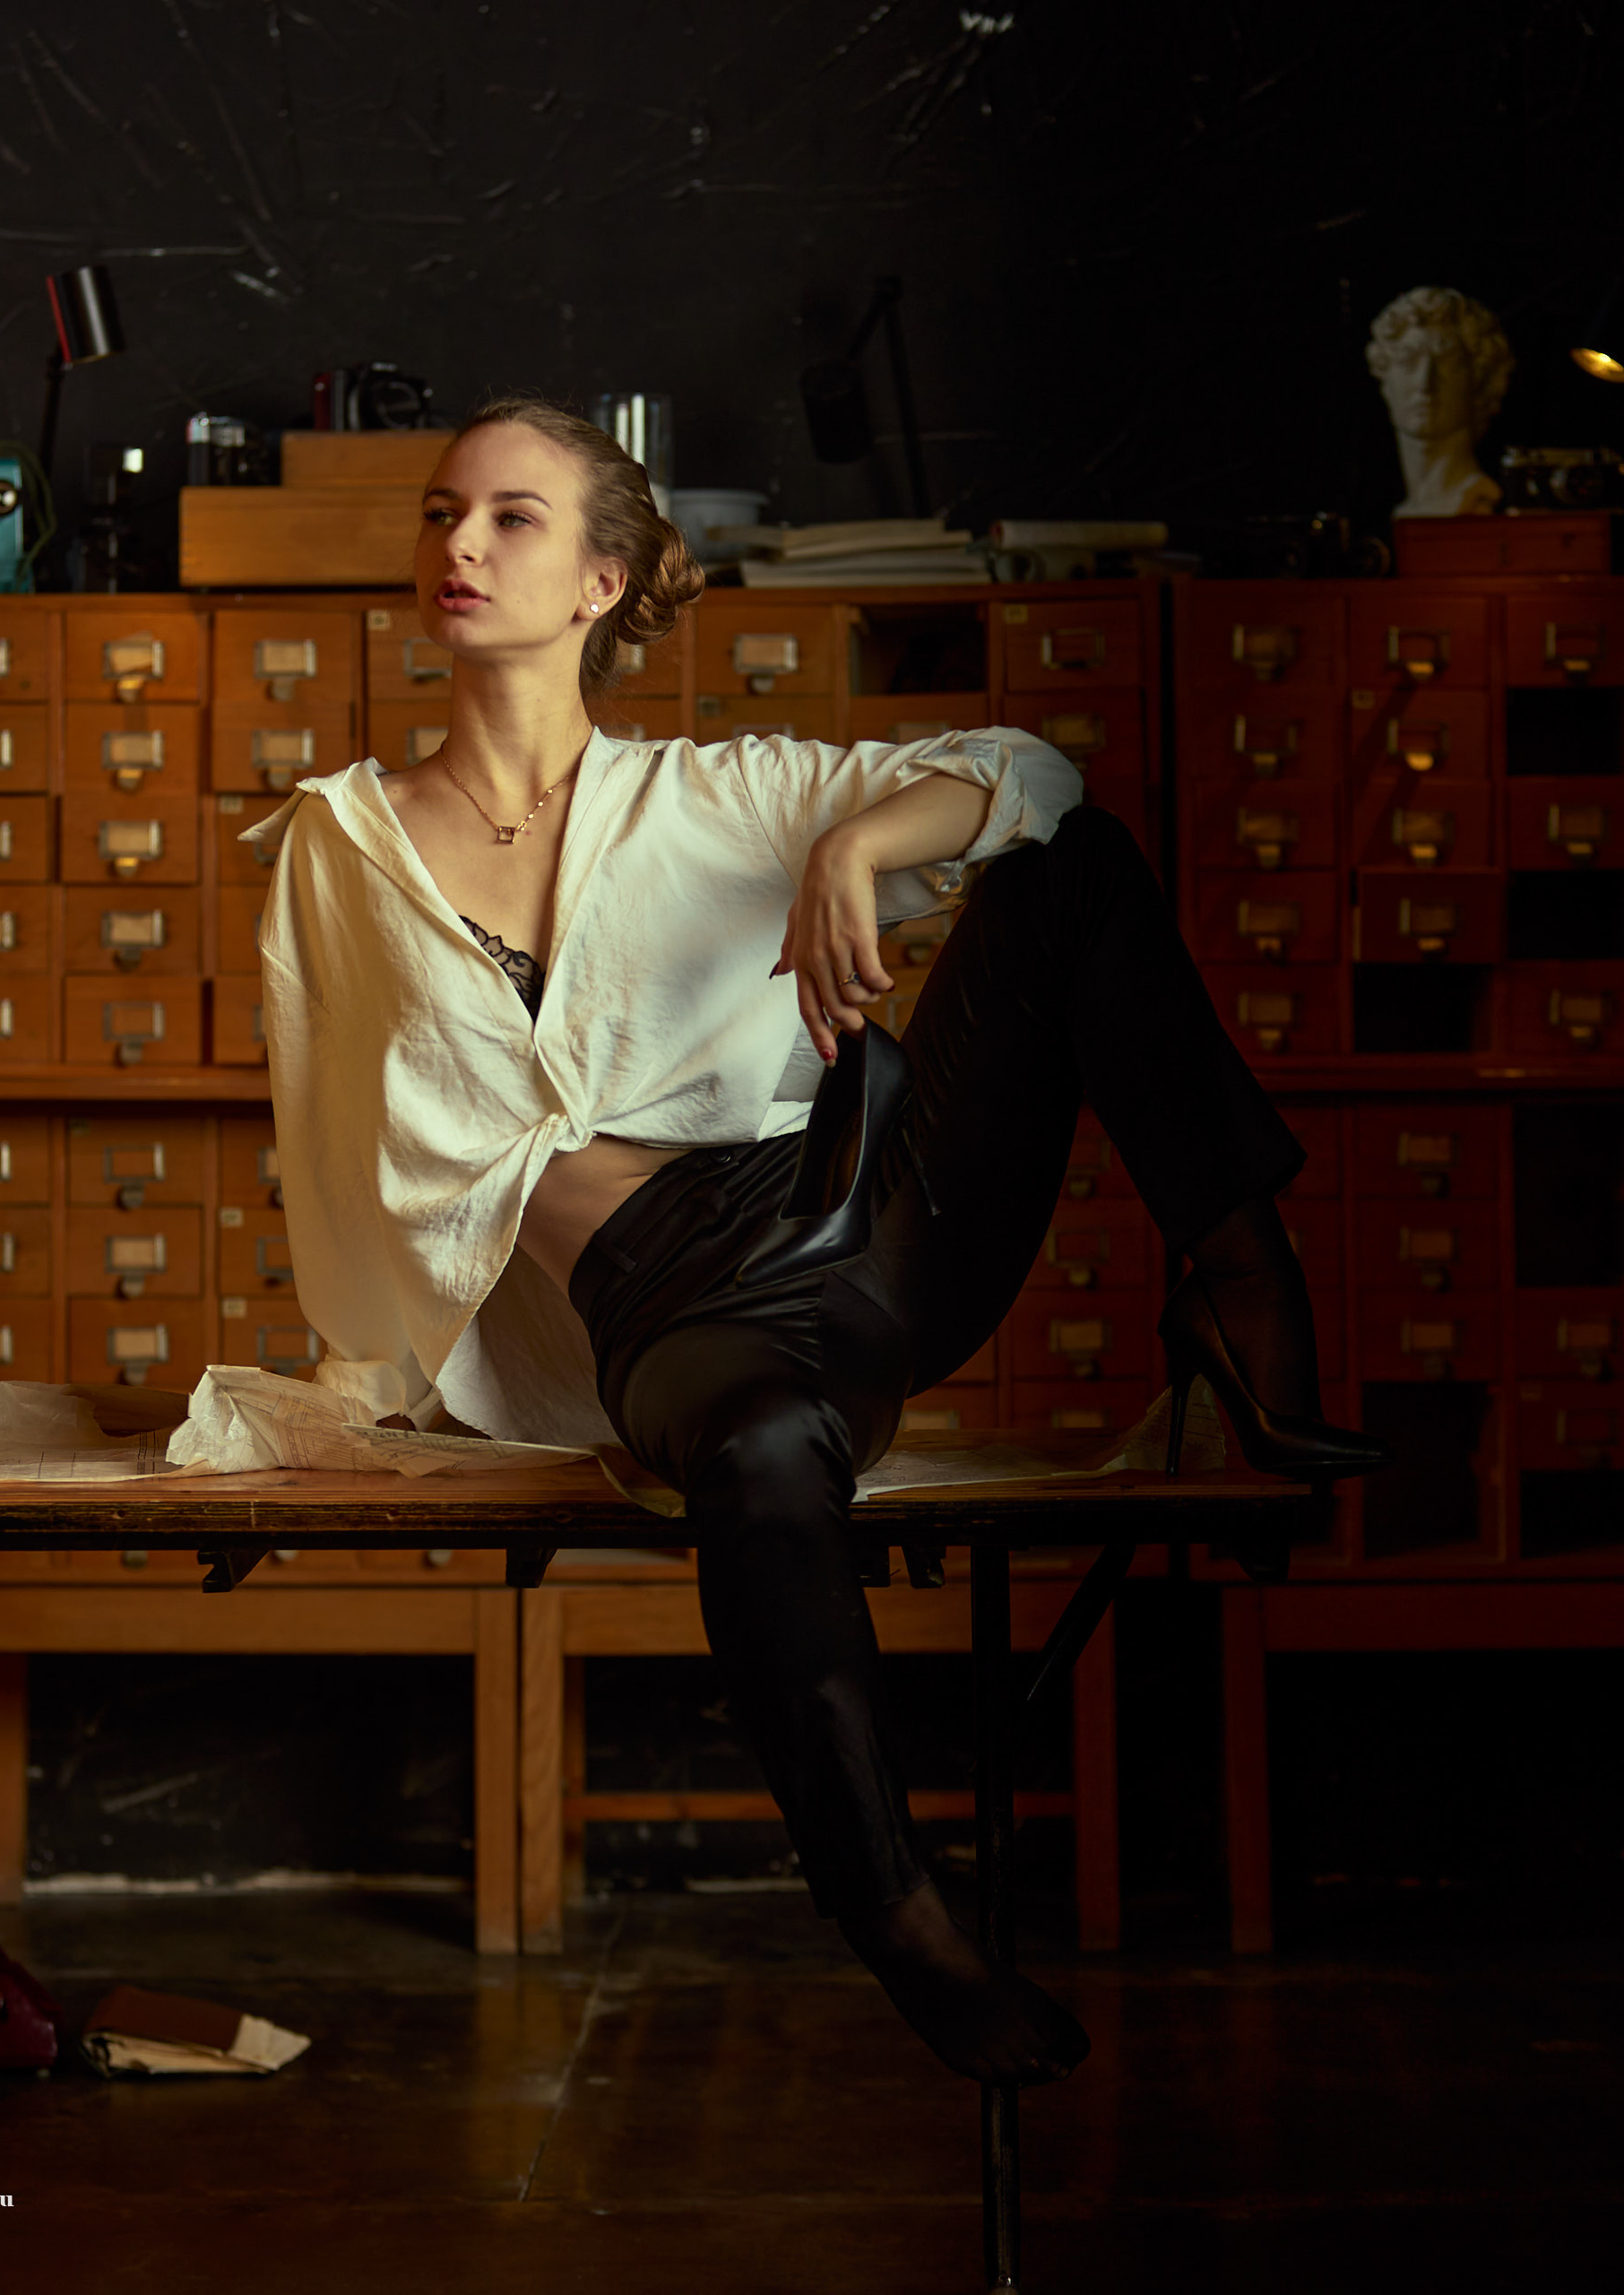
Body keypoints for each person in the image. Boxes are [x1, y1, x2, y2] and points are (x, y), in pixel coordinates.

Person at [252, 397, 1387, 2087]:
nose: (458, 545)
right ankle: (898, 1914)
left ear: (601, 581)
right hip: (684, 1308)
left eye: (508, 517)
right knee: (766, 1458)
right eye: (438, 512)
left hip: (874, 1214)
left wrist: (857, 841)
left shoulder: (717, 795)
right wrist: (399, 1367)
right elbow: (346, 1135)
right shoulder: (340, 842)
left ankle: (1238, 1281)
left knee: (1068, 869)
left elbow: (1031, 774)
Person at [1366, 284, 1514, 519]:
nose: (1425, 383)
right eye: (1408, 360)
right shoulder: (1391, 505)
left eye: (1448, 363)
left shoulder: (1480, 499)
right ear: (1385, 378)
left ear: (1478, 379)